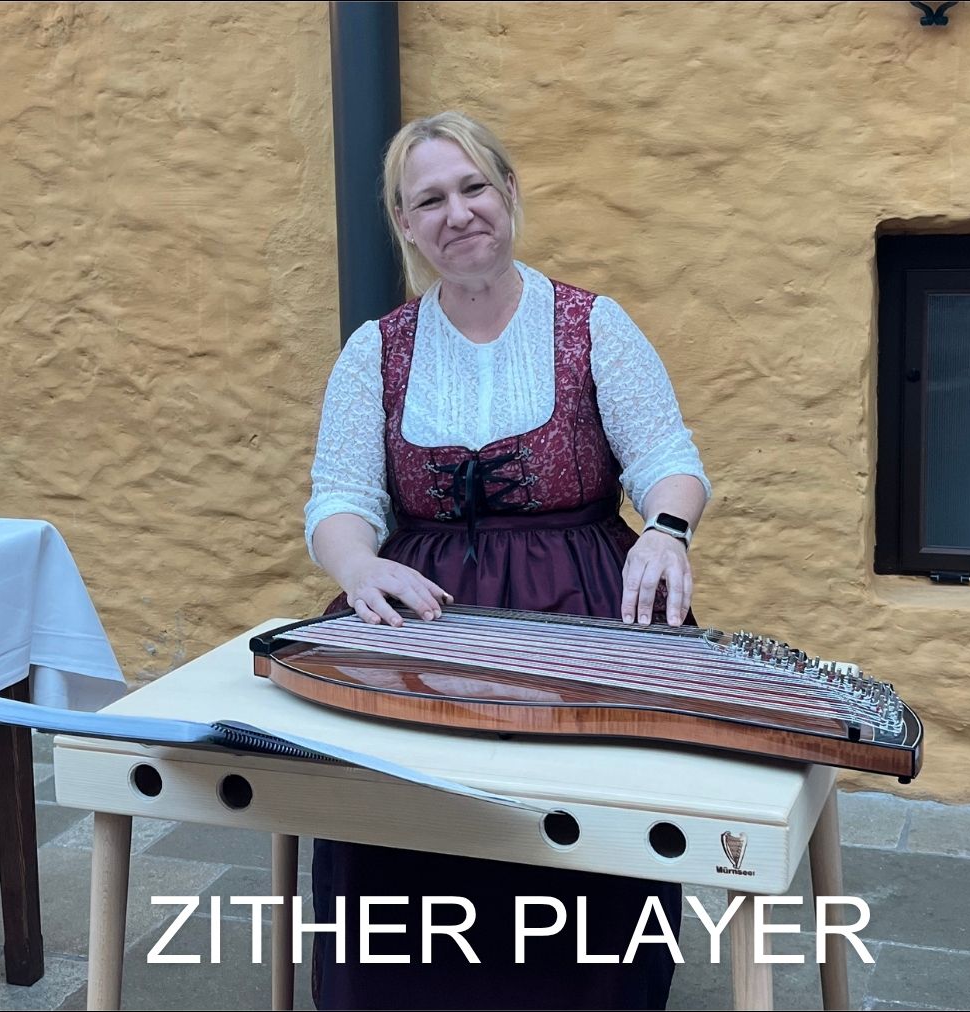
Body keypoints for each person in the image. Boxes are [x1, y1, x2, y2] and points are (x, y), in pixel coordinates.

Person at [303, 110, 712, 1010]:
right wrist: (358, 569)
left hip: (581, 611)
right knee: (398, 836)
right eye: (429, 201)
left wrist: (665, 530)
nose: (458, 214)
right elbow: (339, 498)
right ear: (406, 225)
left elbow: (667, 460)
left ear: (510, 193)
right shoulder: (376, 349)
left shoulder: (594, 325)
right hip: (426, 624)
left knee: (582, 841)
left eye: (474, 187)